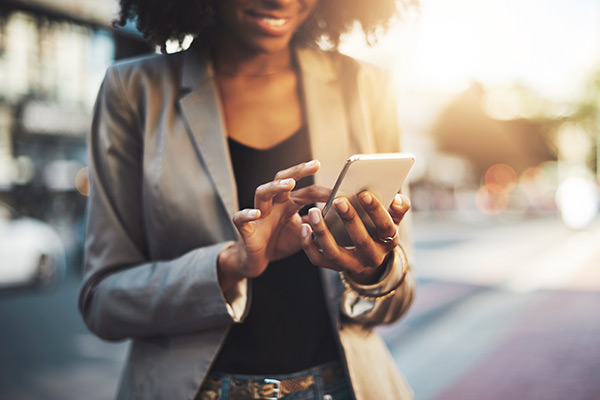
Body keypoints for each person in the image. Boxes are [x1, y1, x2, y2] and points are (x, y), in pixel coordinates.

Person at [79, 0, 416, 399]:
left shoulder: (365, 86)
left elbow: (400, 295)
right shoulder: (133, 89)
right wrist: (229, 265)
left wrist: (370, 273)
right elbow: (103, 303)